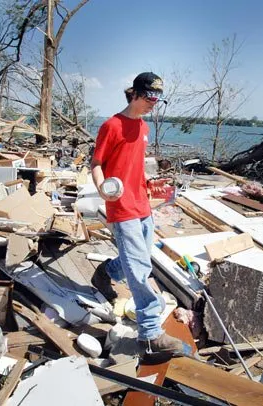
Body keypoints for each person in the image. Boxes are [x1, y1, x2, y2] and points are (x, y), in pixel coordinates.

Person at [90, 72, 189, 358]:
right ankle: (150, 334)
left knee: (140, 257)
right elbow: (97, 163)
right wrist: (102, 189)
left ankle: (106, 272)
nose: (153, 104)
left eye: (158, 100)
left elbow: (133, 165)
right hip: (121, 207)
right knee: (140, 270)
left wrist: (149, 184)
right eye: (149, 98)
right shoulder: (112, 126)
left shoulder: (144, 128)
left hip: (142, 204)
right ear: (134, 93)